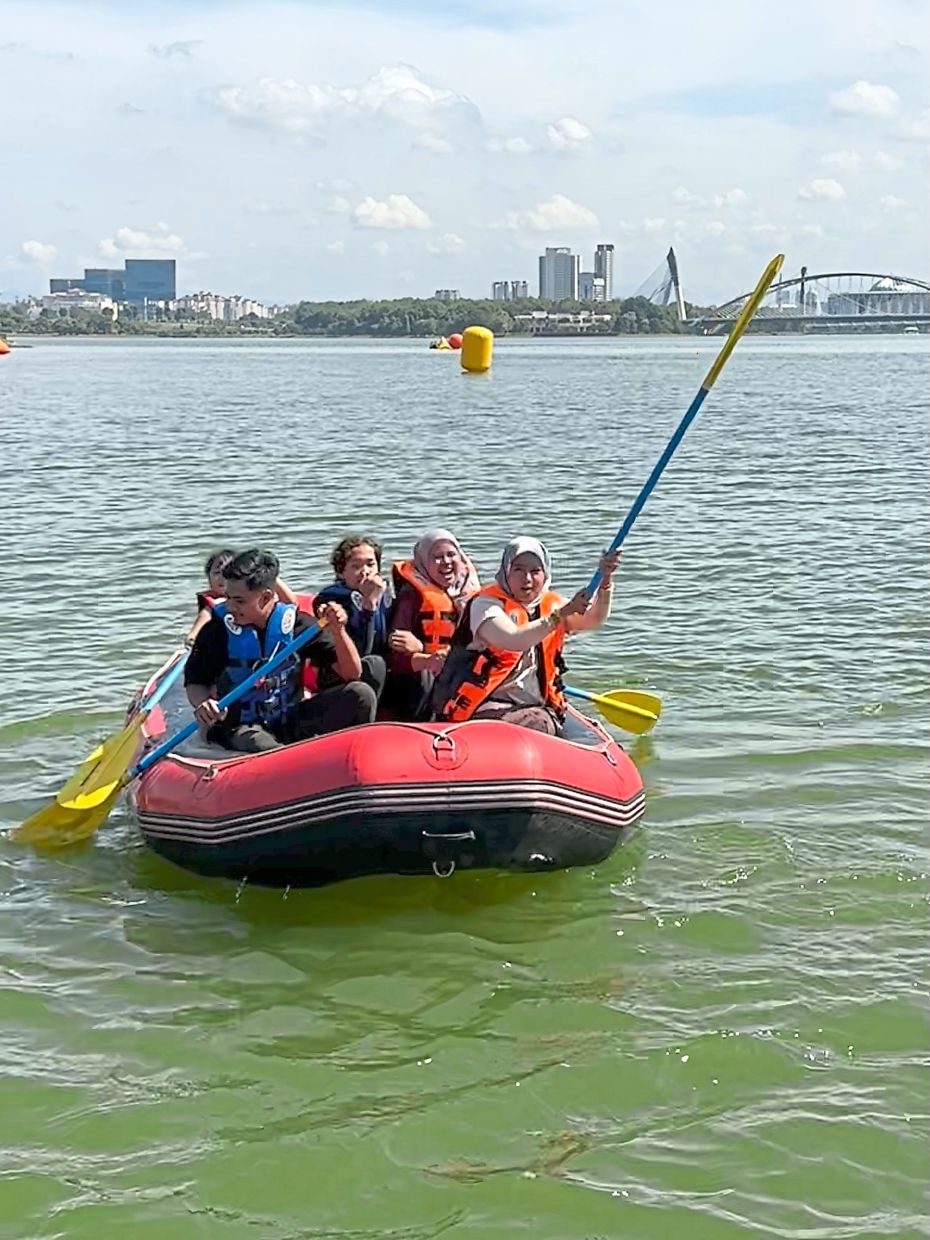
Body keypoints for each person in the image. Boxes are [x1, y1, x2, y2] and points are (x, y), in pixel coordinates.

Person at [184, 548, 376, 753]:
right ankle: (291, 761)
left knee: (361, 694)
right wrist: (204, 704)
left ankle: (349, 756)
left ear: (266, 597)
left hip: (290, 717)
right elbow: (195, 681)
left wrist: (338, 632)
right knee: (257, 742)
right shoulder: (217, 629)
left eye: (239, 601)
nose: (230, 606)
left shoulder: (298, 625)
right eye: (228, 597)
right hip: (240, 724)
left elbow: (352, 673)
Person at [430, 537, 621, 735]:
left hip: (535, 706)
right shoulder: (485, 605)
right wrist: (560, 615)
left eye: (535, 571)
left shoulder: (552, 604)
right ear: (506, 571)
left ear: (545, 573)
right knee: (539, 723)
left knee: (542, 721)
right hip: (485, 706)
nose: (527, 579)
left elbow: (594, 619)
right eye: (519, 570)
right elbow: (514, 639)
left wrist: (606, 581)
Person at [385, 528, 480, 720]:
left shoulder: (473, 595)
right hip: (419, 681)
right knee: (424, 677)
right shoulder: (410, 598)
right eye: (437, 557)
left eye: (451, 554)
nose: (446, 562)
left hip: (459, 672)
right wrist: (425, 654)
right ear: (423, 562)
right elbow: (394, 659)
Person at [313, 536, 389, 700]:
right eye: (356, 566)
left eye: (371, 564)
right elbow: (363, 652)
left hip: (381, 672)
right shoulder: (330, 600)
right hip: (343, 677)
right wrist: (369, 606)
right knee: (374, 663)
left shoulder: (388, 595)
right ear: (341, 572)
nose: (365, 572)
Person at [184, 547, 298, 648]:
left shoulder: (267, 600)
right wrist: (193, 640)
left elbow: (291, 603)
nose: (221, 577)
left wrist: (262, 575)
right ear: (208, 578)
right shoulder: (214, 611)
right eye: (217, 572)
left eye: (226, 572)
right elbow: (193, 636)